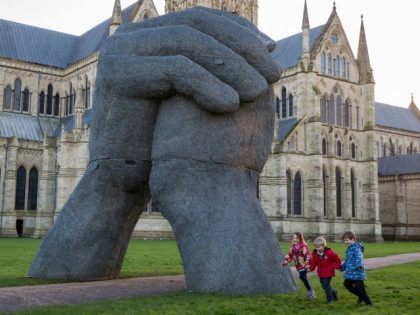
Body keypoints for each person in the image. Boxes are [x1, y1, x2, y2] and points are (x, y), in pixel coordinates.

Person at [341, 231, 372, 306]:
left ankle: (368, 303)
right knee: (347, 284)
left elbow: (359, 256)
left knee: (361, 289)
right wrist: (342, 267)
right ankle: (360, 296)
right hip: (351, 273)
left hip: (357, 271)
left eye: (347, 240)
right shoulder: (350, 248)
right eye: (344, 241)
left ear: (353, 239)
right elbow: (348, 260)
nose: (345, 242)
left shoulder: (356, 247)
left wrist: (359, 265)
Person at [282, 232, 315, 298]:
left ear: (300, 239)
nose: (295, 239)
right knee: (304, 277)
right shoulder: (293, 247)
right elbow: (290, 255)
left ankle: (310, 291)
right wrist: (286, 261)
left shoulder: (303, 246)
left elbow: (307, 255)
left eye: (297, 238)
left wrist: (306, 264)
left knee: (302, 276)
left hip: (305, 264)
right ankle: (310, 291)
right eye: (294, 238)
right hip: (298, 265)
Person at [310, 237, 341, 303]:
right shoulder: (315, 254)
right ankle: (334, 292)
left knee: (326, 285)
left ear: (324, 246)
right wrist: (310, 269)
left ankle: (330, 300)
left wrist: (337, 266)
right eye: (316, 247)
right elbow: (313, 263)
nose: (317, 249)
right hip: (321, 273)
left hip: (328, 272)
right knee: (324, 286)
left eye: (319, 247)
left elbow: (336, 259)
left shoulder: (329, 253)